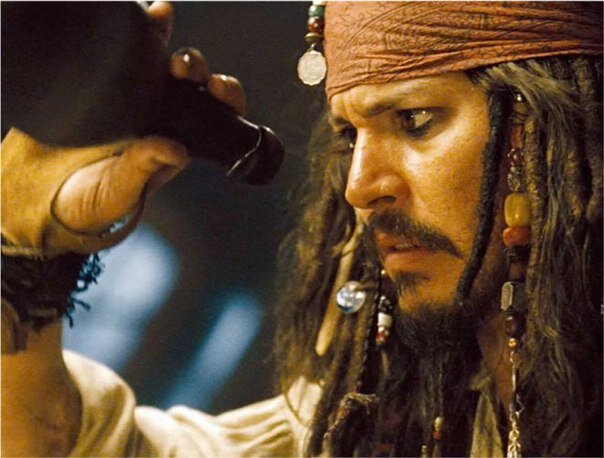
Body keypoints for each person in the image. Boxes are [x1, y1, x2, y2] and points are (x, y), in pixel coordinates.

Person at [2, 2, 602, 457]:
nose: (360, 187)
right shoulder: (364, 432)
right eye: (348, 138)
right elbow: (54, 442)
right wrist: (28, 244)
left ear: (560, 124)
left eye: (414, 119)